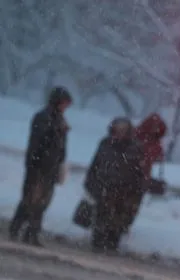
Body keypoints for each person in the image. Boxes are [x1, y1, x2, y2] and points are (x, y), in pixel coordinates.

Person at [9, 87, 72, 246]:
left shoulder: (59, 119)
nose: (66, 107)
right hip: (38, 167)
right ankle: (18, 229)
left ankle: (31, 233)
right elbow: (39, 141)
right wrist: (34, 164)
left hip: (50, 168)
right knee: (31, 201)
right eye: (64, 103)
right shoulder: (43, 117)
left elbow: (59, 146)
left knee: (42, 203)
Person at [84, 117, 144, 252]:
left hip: (124, 190)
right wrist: (90, 182)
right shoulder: (105, 143)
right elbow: (96, 163)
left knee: (119, 218)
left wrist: (136, 190)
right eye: (117, 129)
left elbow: (138, 172)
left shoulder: (135, 147)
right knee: (101, 215)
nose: (119, 133)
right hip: (104, 186)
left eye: (123, 130)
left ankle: (112, 243)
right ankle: (98, 242)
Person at [122, 113, 166, 232]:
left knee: (126, 203)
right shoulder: (153, 143)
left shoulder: (135, 136)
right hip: (139, 178)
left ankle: (120, 225)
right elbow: (156, 157)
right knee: (132, 204)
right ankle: (124, 225)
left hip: (130, 177)